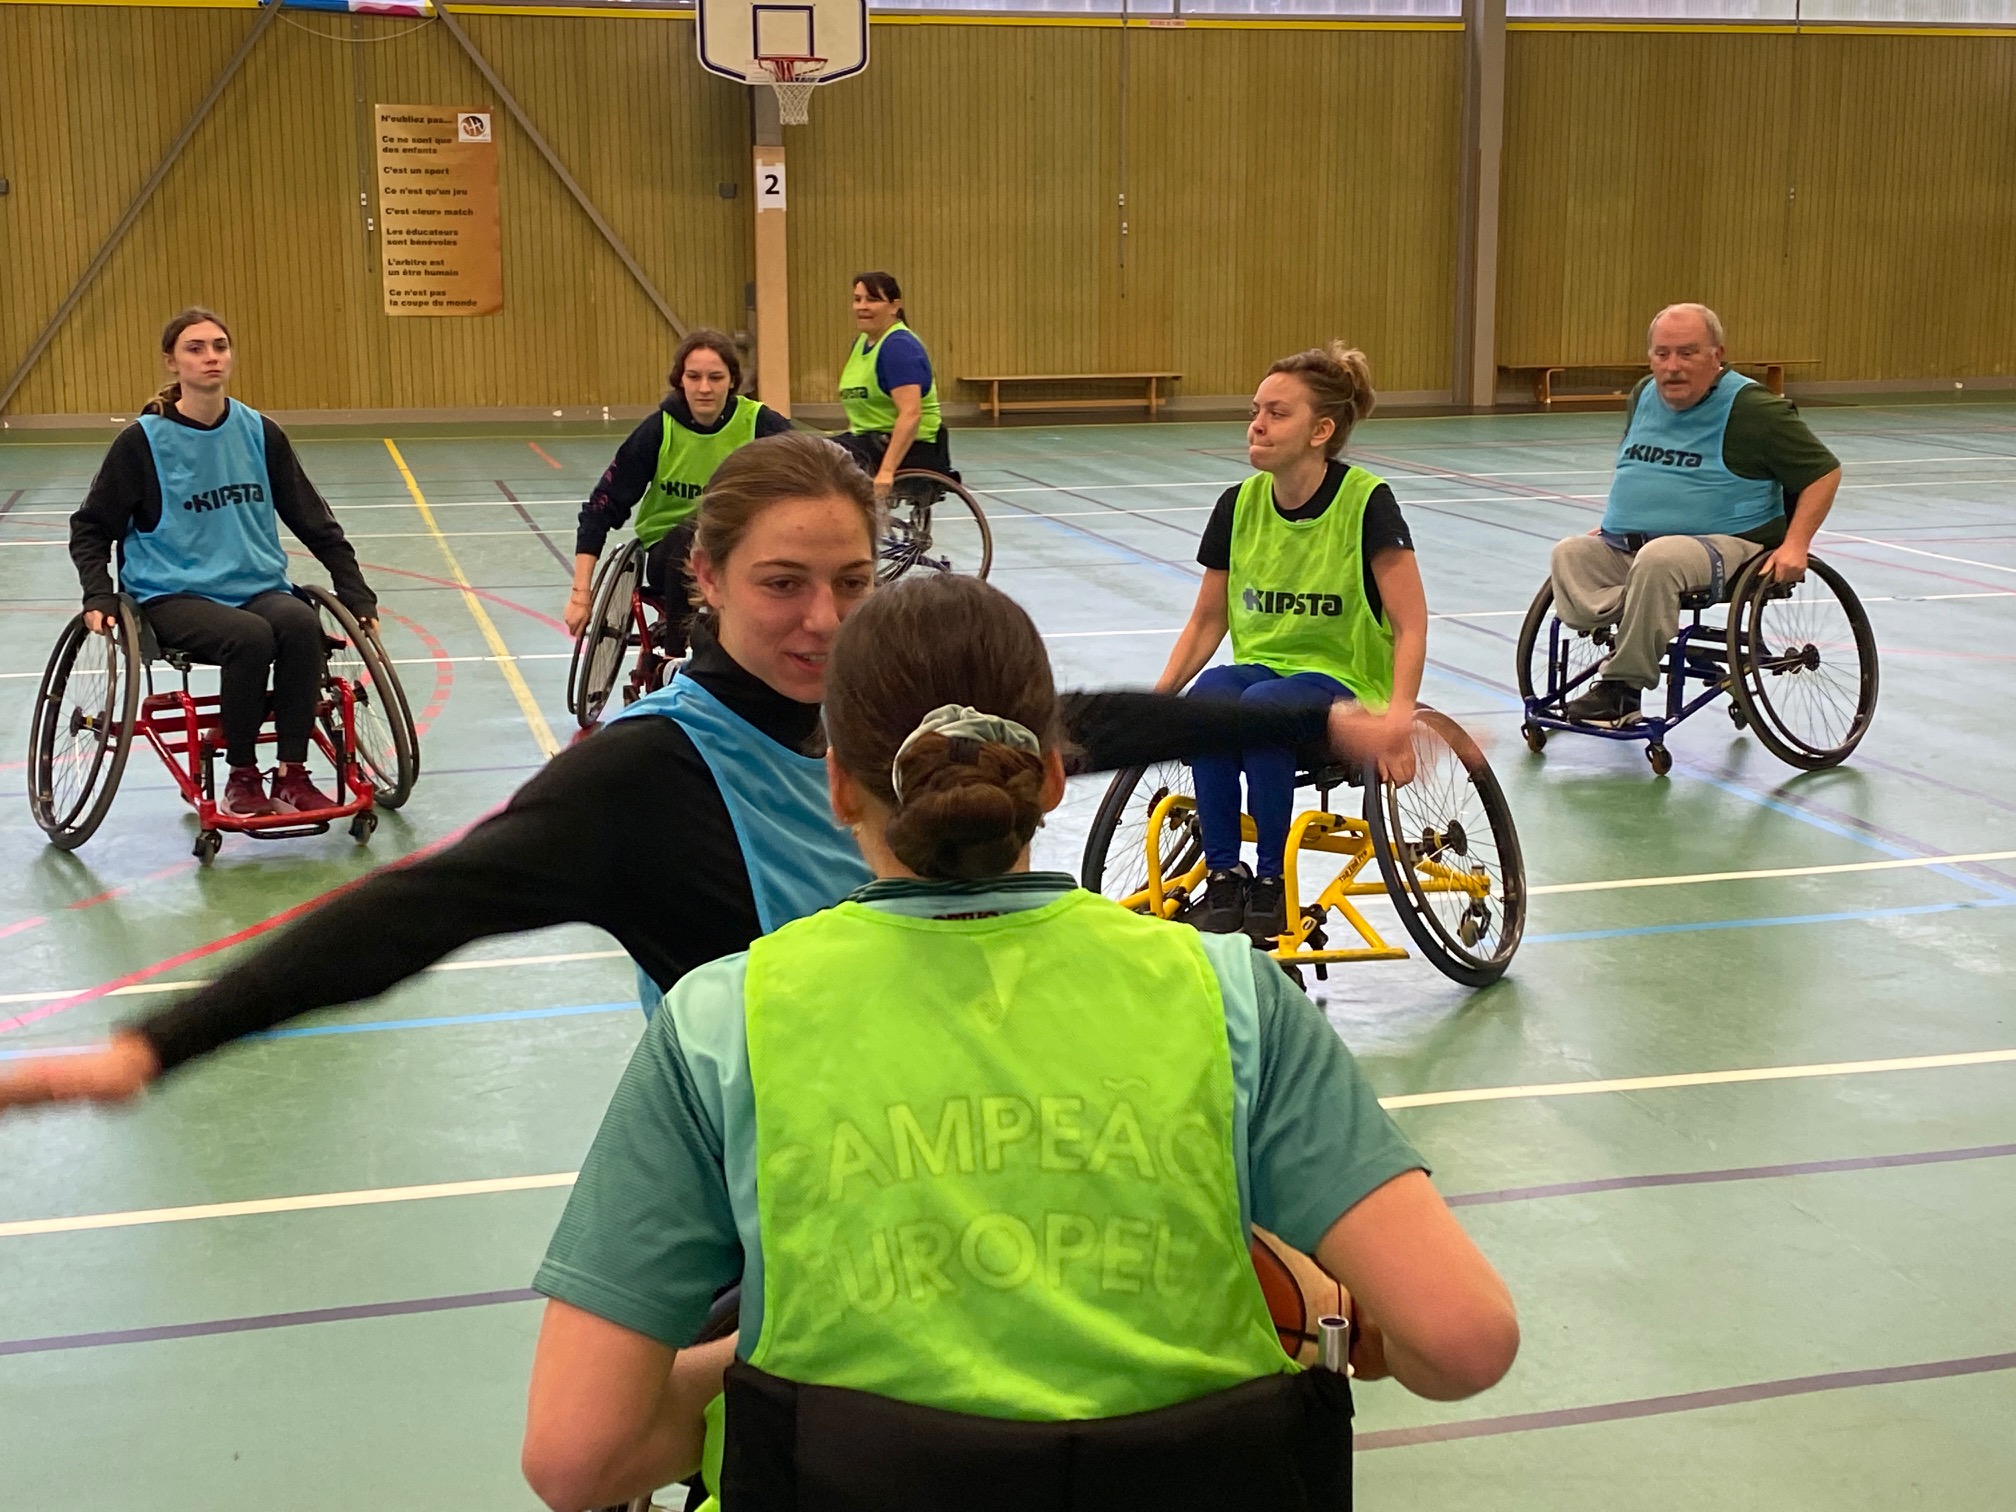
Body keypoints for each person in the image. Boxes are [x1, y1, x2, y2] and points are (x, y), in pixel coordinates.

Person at [0, 432, 1406, 1111]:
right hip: (773, 1193)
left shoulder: (907, 715)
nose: (825, 621)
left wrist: (1315, 729)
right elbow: (419, 910)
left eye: (852, 582)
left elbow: (1094, 721)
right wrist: (157, 1046)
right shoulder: (646, 778)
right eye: (784, 584)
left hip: (971, 1138)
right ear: (708, 581)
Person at [519, 574, 1519, 1512]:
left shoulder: (721, 1022)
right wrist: (1351, 1335)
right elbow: (1465, 1341)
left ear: (839, 787)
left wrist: (751, 1390)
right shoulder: (1227, 995)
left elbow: (579, 1455)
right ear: (1049, 776)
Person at [1154, 344, 1427, 945]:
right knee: (1212, 700)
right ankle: (1225, 876)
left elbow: (1411, 624)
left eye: (1277, 413)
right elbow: (1205, 623)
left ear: (1319, 431)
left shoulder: (1366, 503)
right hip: (1264, 670)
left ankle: (1273, 881)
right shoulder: (1239, 505)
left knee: (1263, 710)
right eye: (1256, 411)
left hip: (1346, 683)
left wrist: (1397, 722)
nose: (1257, 424)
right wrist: (1157, 704)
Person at [67, 307, 380, 819]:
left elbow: (313, 520)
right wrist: (98, 593)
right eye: (195, 348)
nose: (210, 357)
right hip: (172, 593)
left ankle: (293, 773)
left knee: (301, 624)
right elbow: (91, 526)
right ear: (172, 362)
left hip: (256, 585)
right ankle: (242, 774)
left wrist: (355, 590)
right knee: (250, 637)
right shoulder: (143, 442)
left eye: (219, 346)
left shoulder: (259, 431)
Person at [1550, 303, 1844, 727]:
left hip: (1729, 543)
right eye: (1662, 354)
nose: (1672, 367)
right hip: (1637, 546)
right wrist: (1621, 523)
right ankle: (1641, 619)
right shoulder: (1643, 394)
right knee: (1570, 552)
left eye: (1687, 353)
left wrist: (1797, 544)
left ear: (1716, 355)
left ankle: (1622, 689)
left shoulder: (1754, 410)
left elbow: (1823, 473)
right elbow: (1644, 464)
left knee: (1659, 561)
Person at [566, 329, 790, 656]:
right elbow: (601, 508)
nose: (704, 388)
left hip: (738, 550)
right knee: (694, 529)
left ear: (732, 380)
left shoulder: (759, 423)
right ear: (680, 380)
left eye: (715, 377)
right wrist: (580, 595)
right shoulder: (658, 430)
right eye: (694, 377)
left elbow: (812, 468)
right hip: (668, 554)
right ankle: (675, 657)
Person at [832, 270, 951, 491]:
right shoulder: (861, 343)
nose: (862, 306)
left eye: (872, 299)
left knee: (813, 462)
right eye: (857, 299)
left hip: (907, 449)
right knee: (800, 452)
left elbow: (911, 414)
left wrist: (886, 471)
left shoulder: (898, 347)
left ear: (894, 306)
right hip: (868, 442)